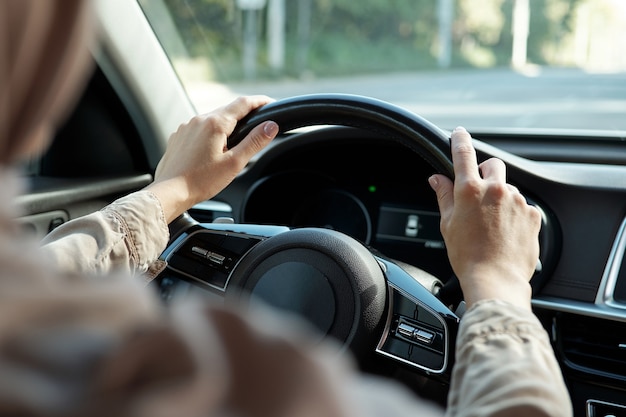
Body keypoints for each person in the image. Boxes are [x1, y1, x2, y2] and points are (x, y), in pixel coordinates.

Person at [0, 1, 572, 416]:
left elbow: (45, 275)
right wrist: (496, 288)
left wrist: (167, 194)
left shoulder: (36, 341)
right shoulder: (213, 387)